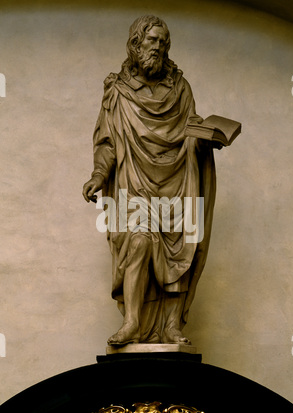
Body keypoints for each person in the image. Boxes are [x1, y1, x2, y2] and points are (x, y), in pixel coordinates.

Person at [82, 15, 216, 345]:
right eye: (152, 40)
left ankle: (172, 326)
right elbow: (108, 141)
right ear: (136, 44)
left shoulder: (181, 89)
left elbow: (190, 129)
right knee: (139, 241)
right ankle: (132, 323)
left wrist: (205, 137)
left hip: (177, 180)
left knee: (179, 246)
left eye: (163, 41)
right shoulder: (118, 91)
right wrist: (99, 174)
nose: (158, 47)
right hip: (134, 182)